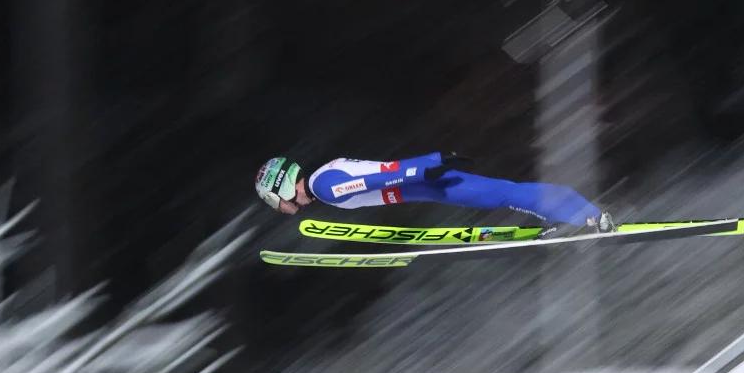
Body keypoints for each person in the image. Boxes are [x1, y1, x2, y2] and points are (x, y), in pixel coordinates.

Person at [254, 152, 615, 237]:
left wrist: (429, 165)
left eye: (273, 200)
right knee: (504, 192)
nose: (280, 209)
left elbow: (381, 179)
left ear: (283, 186)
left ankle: (583, 218)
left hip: (432, 183)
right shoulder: (322, 178)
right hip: (429, 186)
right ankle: (584, 214)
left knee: (502, 193)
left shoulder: (323, 186)